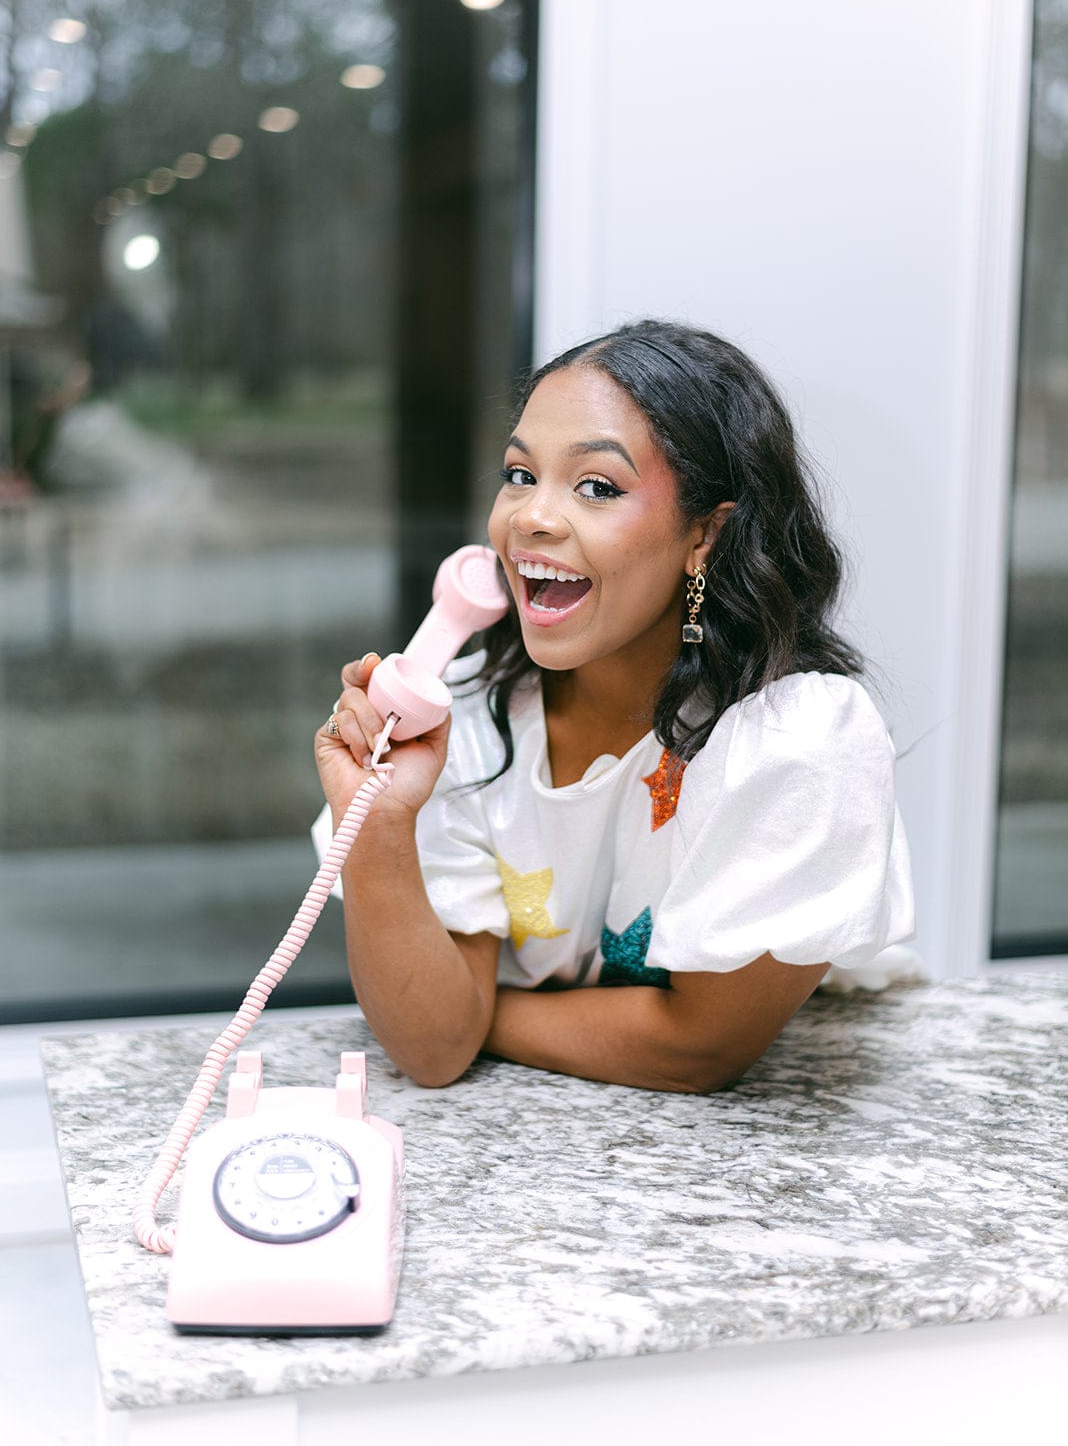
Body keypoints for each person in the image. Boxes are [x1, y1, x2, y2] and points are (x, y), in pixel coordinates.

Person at [313, 320, 916, 1094]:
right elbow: (431, 1052)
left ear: (705, 533)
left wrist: (473, 1016)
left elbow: (701, 1048)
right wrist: (382, 822)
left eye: (596, 486)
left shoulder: (796, 743)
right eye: (520, 474)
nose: (530, 516)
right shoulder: (460, 722)